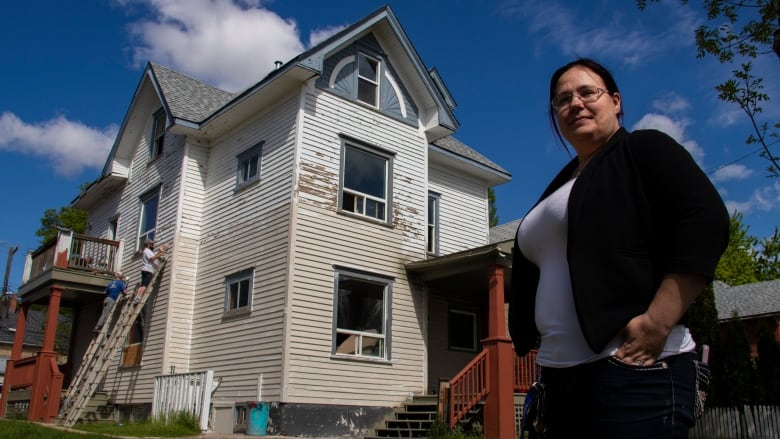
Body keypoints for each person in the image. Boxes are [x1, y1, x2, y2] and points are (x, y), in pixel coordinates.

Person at [508, 58, 730, 439]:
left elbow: (705, 219)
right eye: (562, 100)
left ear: (615, 101)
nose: (574, 103)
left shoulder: (642, 149)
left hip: (633, 371)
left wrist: (659, 321)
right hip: (560, 382)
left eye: (587, 92)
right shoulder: (560, 186)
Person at [133, 239, 168, 303]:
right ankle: (138, 297)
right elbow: (152, 258)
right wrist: (161, 253)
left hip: (145, 270)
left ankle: (137, 297)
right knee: (144, 285)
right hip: (148, 270)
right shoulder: (147, 251)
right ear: (149, 245)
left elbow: (153, 255)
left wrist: (159, 251)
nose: (153, 245)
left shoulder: (148, 251)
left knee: (143, 284)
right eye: (152, 244)